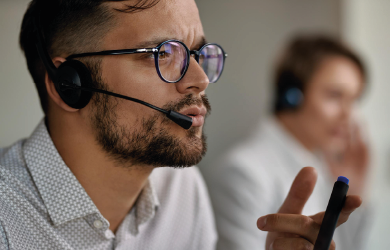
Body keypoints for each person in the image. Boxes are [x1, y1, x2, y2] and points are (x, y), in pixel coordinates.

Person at [0, 1, 361, 249]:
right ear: (69, 85)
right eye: (162, 54)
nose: (200, 78)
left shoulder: (182, 191)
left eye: (197, 54)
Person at [202, 34, 370, 250]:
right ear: (292, 96)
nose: (349, 115)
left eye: (354, 100)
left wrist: (355, 192)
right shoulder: (241, 173)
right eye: (335, 96)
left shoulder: (323, 166)